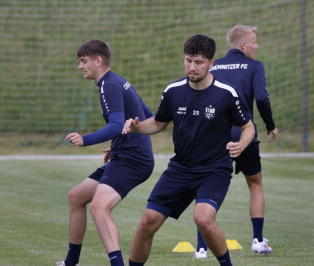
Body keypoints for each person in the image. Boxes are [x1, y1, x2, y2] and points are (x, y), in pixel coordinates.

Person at [123, 34, 255, 266]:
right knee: (147, 221)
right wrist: (136, 127)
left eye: (199, 62)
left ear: (211, 63)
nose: (192, 67)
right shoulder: (173, 91)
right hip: (180, 168)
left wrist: (241, 145)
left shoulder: (226, 93)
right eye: (188, 61)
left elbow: (248, 126)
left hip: (214, 170)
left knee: (203, 219)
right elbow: (158, 123)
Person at [56, 39, 154, 266]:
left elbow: (115, 123)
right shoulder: (117, 82)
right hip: (125, 155)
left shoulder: (109, 85)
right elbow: (146, 116)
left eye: (83, 61)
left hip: (133, 161)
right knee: (77, 196)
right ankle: (72, 261)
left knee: (100, 208)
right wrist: (119, 142)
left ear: (98, 60)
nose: (80, 66)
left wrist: (85, 139)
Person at [194, 25, 278, 259]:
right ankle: (259, 241)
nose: (257, 45)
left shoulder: (213, 65)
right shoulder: (254, 66)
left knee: (206, 184)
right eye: (254, 41)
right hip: (244, 133)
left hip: (214, 135)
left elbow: (199, 92)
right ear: (244, 45)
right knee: (255, 183)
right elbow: (261, 97)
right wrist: (270, 125)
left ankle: (201, 248)